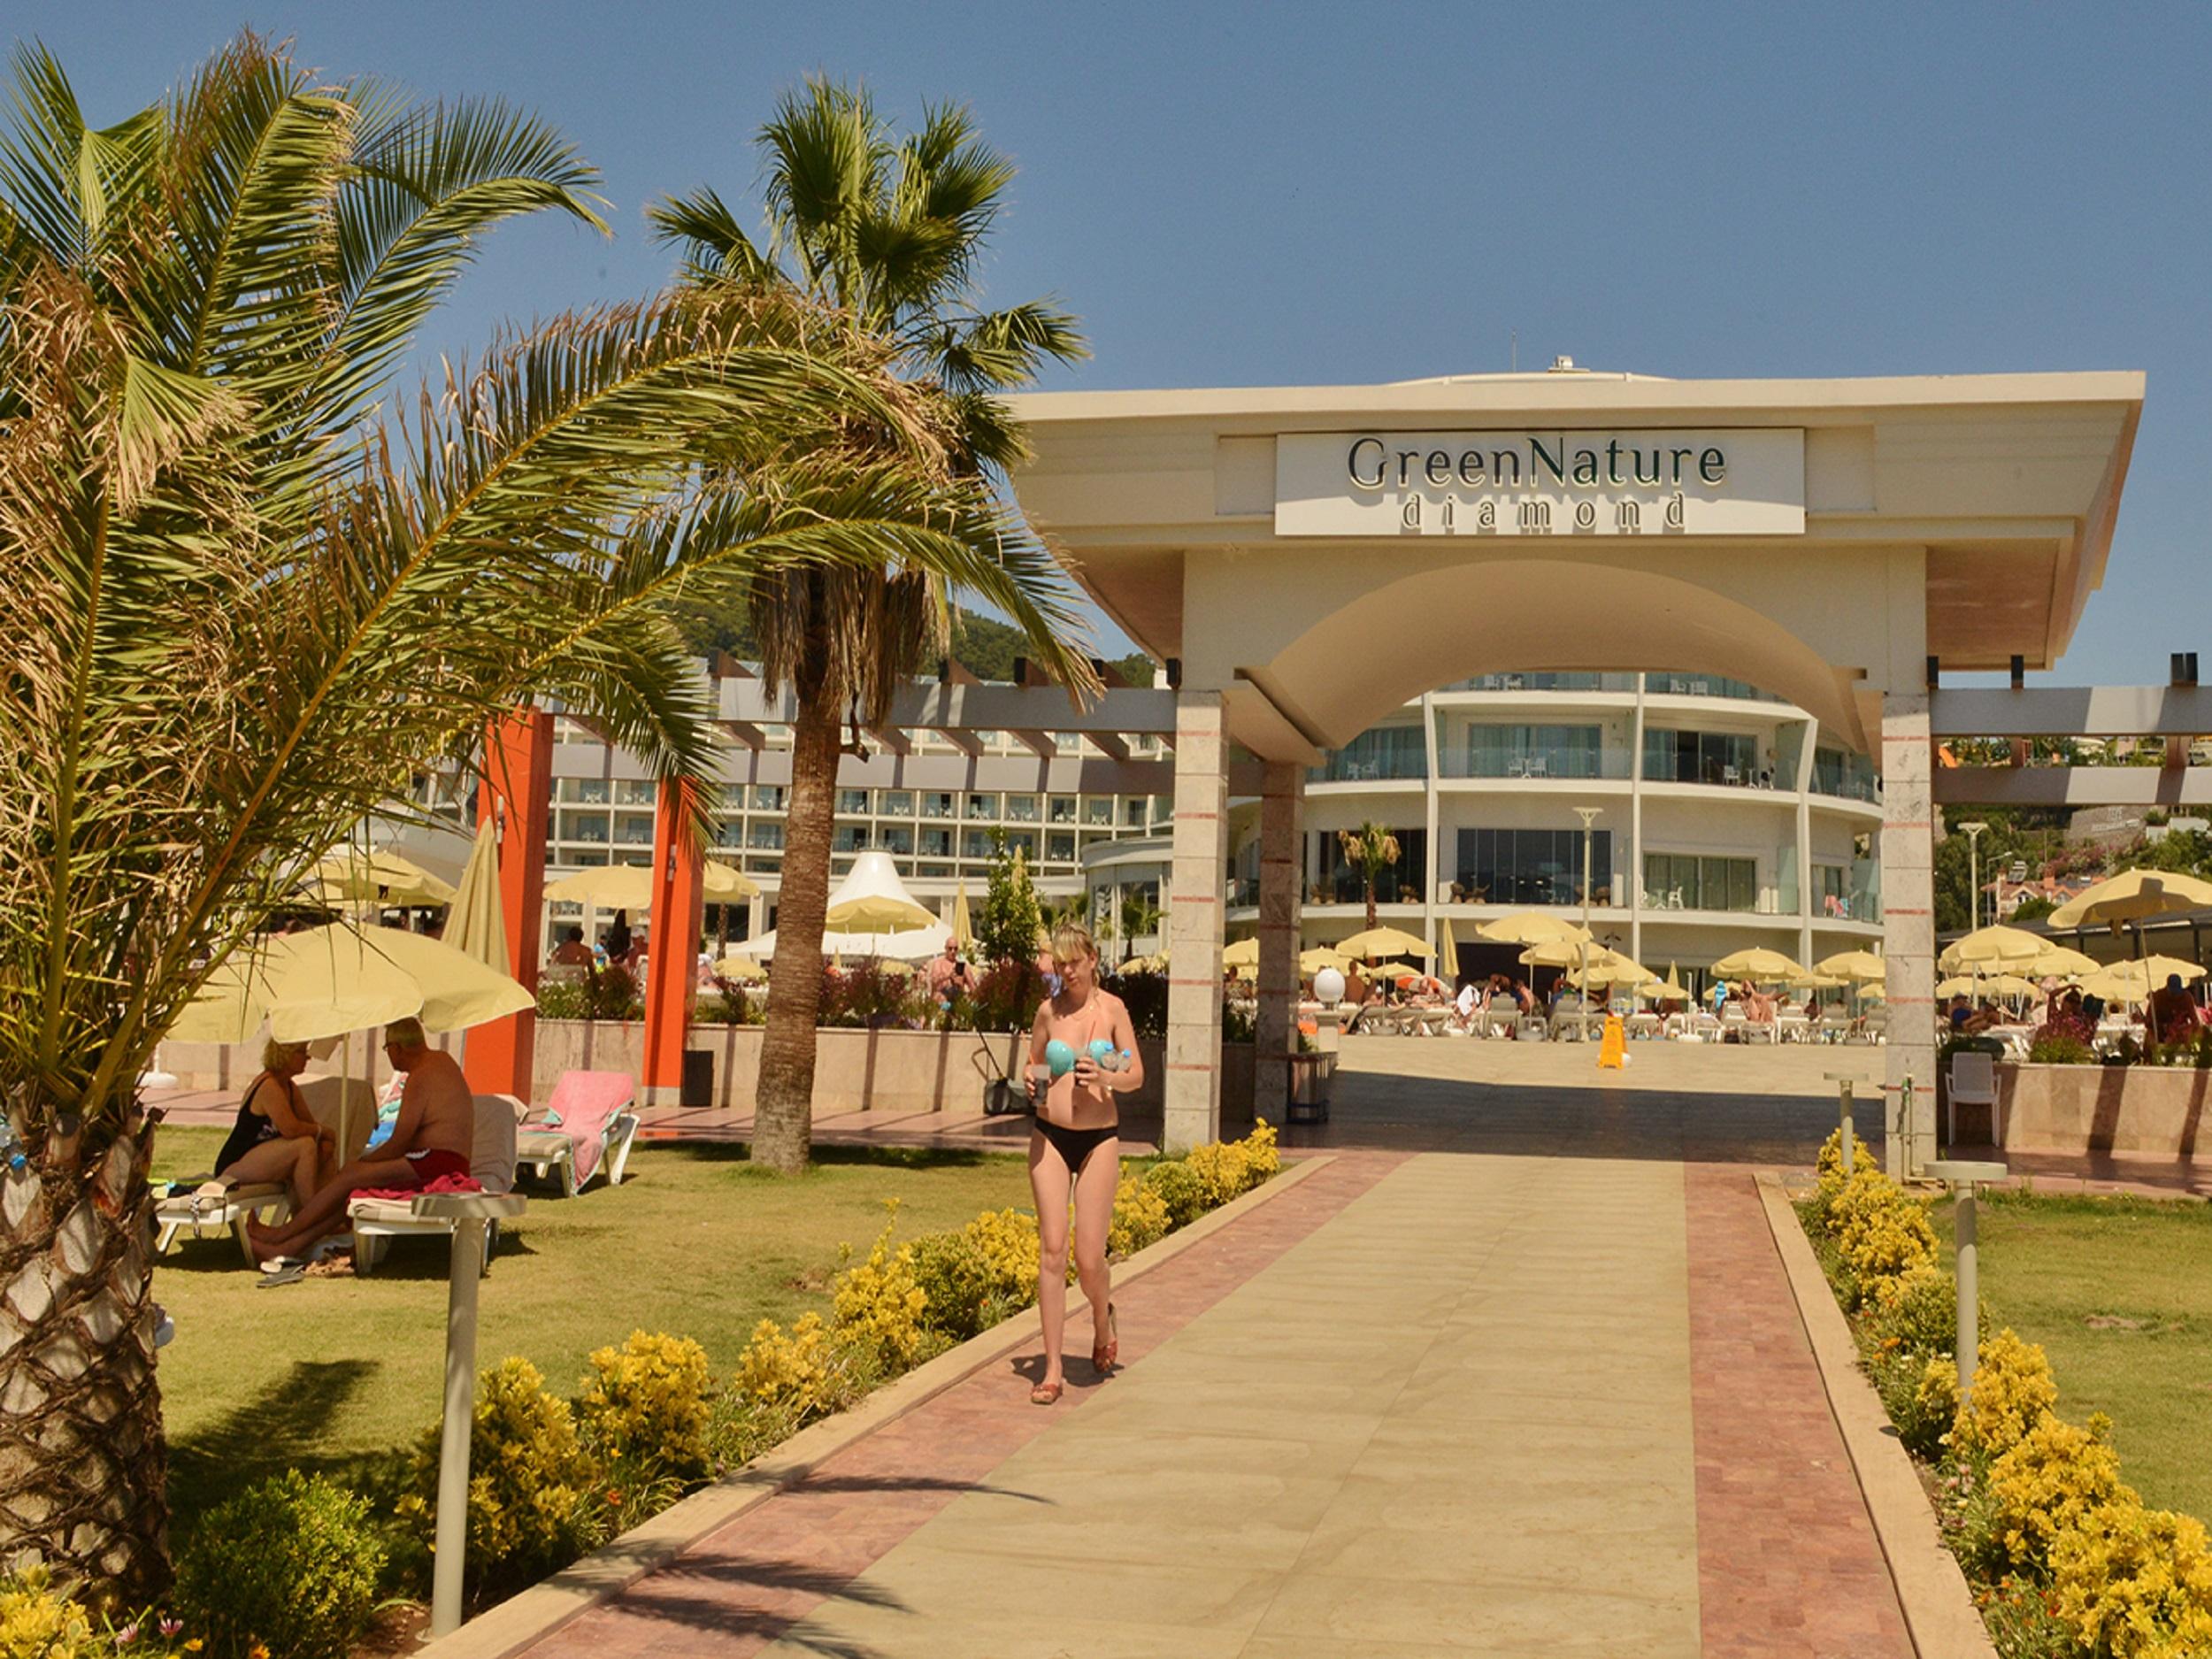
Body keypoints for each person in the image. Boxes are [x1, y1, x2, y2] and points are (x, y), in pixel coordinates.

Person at [1023, 924, 1143, 1406]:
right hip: (1050, 1136)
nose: (1066, 969)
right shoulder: (1048, 1012)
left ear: (1093, 959)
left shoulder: (1112, 1010)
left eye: (1074, 961)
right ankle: (1052, 1369)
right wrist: (1032, 1083)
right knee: (1052, 1251)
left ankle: (1100, 1318)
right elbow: (1030, 1066)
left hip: (1098, 1138)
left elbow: (1135, 1075)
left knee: (1088, 1258)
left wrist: (1108, 1068)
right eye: (1060, 961)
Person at [244, 1018, 476, 1264]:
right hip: (445, 1160)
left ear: (397, 1048)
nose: (389, 1056)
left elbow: (399, 1143)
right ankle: (289, 1246)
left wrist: (362, 1163)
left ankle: (282, 1233)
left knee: (351, 1175)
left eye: (387, 1049)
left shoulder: (420, 1076)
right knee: (351, 1187)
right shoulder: (442, 1061)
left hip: (435, 1162)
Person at [207, 1037, 336, 1213]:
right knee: (305, 1145)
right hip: (235, 1165)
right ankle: (311, 1215)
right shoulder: (269, 1086)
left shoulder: (289, 1087)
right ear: (285, 1055)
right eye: (302, 1052)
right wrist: (324, 1131)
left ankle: (324, 1213)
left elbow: (308, 1125)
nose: (308, 1058)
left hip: (262, 1160)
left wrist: (324, 1139)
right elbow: (291, 1129)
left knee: (324, 1149)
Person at [2149, 974, 2201, 1045]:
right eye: (2173, 993)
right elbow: (2148, 1020)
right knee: (2150, 1038)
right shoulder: (2157, 997)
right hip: (2159, 1034)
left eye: (2178, 992)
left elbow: (2195, 1022)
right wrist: (2163, 1027)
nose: (2176, 996)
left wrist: (2187, 1029)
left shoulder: (2186, 997)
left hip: (2180, 1035)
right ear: (2167, 987)